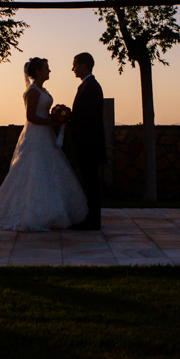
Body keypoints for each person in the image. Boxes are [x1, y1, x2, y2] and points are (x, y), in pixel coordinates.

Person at [0, 57, 88, 231]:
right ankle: (30, 213)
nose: (49, 71)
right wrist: (52, 123)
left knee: (51, 170)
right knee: (33, 170)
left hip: (46, 136)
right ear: (37, 72)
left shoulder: (42, 89)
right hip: (36, 136)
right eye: (46, 68)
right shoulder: (33, 91)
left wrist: (57, 117)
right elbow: (30, 117)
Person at [69, 52, 106, 230]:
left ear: (83, 66)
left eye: (75, 65)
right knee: (89, 181)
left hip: (88, 143)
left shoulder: (91, 87)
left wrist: (70, 120)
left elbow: (88, 117)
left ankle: (93, 220)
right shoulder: (87, 86)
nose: (73, 69)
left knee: (91, 182)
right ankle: (92, 218)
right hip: (86, 142)